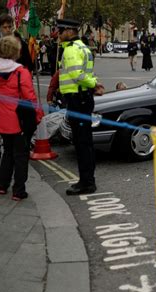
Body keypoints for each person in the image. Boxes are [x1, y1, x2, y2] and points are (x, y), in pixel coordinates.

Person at [0, 36, 43, 200]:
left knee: (7, 152)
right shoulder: (21, 72)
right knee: (21, 155)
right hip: (18, 119)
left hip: (1, 117)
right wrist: (38, 114)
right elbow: (29, 97)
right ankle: (19, 190)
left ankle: (2, 185)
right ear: (15, 51)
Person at [57, 19, 105, 195]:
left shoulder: (71, 49)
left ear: (70, 31)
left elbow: (78, 74)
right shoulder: (83, 46)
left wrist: (94, 83)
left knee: (82, 143)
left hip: (78, 99)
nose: (58, 34)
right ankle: (87, 180)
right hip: (83, 98)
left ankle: (86, 183)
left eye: (61, 31)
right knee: (85, 142)